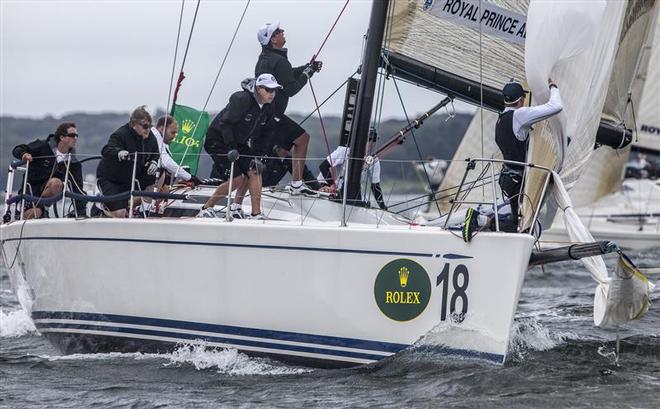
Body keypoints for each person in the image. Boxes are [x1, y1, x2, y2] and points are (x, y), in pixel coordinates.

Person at [197, 74, 282, 219]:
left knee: (255, 168)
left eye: (274, 90)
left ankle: (256, 214)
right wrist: (231, 147)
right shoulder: (242, 99)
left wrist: (261, 154)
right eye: (268, 90)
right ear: (259, 88)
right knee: (237, 179)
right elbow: (225, 123)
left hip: (238, 143)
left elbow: (268, 131)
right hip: (218, 140)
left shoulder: (269, 106)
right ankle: (206, 208)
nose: (272, 94)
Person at [255, 21, 322, 196]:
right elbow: (291, 89)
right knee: (302, 139)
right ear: (273, 40)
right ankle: (297, 184)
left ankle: (291, 184)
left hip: (262, 115)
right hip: (273, 116)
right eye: (278, 31)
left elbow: (287, 75)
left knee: (282, 150)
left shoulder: (265, 59)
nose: (283, 31)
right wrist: (307, 75)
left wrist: (309, 68)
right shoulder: (279, 61)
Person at [488, 78, 563, 234]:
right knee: (520, 225)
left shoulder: (501, 118)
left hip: (508, 178)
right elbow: (556, 106)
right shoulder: (520, 115)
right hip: (516, 181)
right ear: (521, 100)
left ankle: (487, 224)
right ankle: (481, 220)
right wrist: (553, 87)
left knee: (520, 222)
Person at [12, 122, 87, 219]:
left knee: (56, 184)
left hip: (50, 193)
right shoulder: (42, 146)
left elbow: (77, 188)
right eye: (72, 135)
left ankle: (44, 209)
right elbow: (18, 149)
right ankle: (34, 212)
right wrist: (24, 155)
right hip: (31, 193)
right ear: (62, 137)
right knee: (36, 213)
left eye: (77, 136)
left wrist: (81, 212)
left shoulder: (73, 163)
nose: (75, 138)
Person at [96, 106, 160, 218]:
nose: (148, 130)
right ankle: (100, 209)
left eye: (150, 126)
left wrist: (154, 162)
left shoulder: (150, 137)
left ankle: (137, 209)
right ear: (134, 124)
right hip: (111, 180)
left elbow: (156, 152)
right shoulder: (120, 134)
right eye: (145, 126)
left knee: (160, 174)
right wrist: (119, 152)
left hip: (132, 177)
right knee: (120, 214)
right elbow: (106, 150)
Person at [229, 144, 321, 218]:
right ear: (281, 148)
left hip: (271, 191)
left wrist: (319, 188)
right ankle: (241, 207)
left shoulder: (289, 160)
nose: (293, 149)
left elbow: (305, 173)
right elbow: (254, 174)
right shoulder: (268, 156)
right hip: (256, 189)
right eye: (291, 146)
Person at [317, 145, 387, 211]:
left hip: (350, 191)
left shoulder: (373, 160)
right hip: (326, 186)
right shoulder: (344, 150)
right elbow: (323, 166)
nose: (367, 143)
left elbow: (375, 186)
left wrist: (383, 207)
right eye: (366, 140)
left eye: (370, 140)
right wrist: (332, 185)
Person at [151, 115, 200, 186]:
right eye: (173, 132)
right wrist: (189, 177)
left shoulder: (159, 140)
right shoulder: (155, 136)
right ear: (161, 129)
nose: (174, 136)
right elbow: (166, 162)